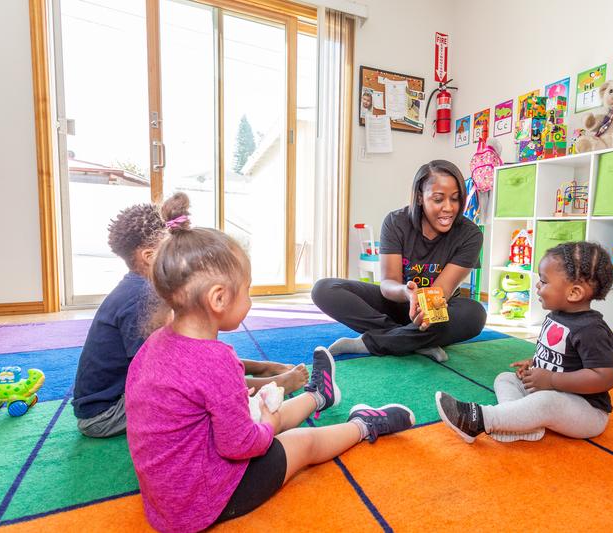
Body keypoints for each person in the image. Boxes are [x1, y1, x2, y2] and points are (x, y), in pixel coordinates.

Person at [125, 211, 415, 532]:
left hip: (168, 497)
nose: (249, 299)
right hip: (205, 500)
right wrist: (269, 426)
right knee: (302, 441)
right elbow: (242, 446)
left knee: (261, 410)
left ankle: (318, 395)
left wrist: (260, 417)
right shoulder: (215, 360)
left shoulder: (155, 343)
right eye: (247, 290)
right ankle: (365, 425)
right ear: (219, 298)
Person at [72, 193, 307, 439]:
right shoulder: (141, 299)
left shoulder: (144, 289)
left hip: (118, 396)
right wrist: (275, 383)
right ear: (149, 257)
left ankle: (265, 373)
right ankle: (276, 383)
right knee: (207, 394)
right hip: (104, 414)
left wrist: (260, 367)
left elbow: (194, 357)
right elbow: (193, 375)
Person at [436, 241, 613, 443]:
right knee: (505, 378)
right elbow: (563, 356)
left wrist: (551, 380)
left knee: (547, 401)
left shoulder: (591, 329)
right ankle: (519, 426)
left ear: (574, 293)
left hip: (587, 411)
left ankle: (481, 419)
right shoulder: (557, 315)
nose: (538, 285)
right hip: (552, 390)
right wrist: (537, 362)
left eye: (544, 281)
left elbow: (604, 378)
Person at [312, 160, 486, 363]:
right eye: (438, 199)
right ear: (420, 197)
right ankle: (414, 340)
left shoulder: (470, 234)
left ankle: (371, 342)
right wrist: (407, 292)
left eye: (455, 199)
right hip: (397, 301)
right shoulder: (395, 222)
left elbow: (442, 291)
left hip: (437, 309)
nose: (448, 208)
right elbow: (388, 283)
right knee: (324, 289)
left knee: (475, 314)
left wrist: (422, 311)